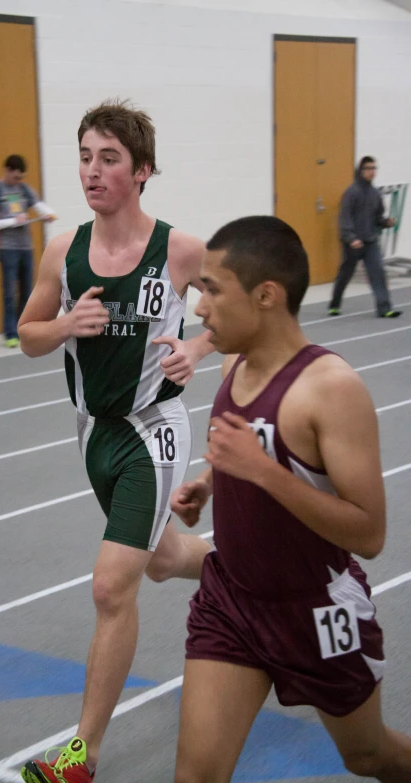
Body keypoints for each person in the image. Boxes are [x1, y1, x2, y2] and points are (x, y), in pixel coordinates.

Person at [171, 215, 411, 783]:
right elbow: (239, 452)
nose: (199, 307)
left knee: (369, 756)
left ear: (266, 295)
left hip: (317, 609)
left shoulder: (330, 389)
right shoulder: (235, 364)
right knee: (195, 777)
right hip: (232, 599)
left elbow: (369, 535)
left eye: (212, 289)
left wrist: (264, 473)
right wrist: (209, 484)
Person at [17, 99, 214, 783]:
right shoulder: (63, 249)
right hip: (93, 433)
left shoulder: (179, 249)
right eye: (84, 156)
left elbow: (239, 306)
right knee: (159, 559)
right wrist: (67, 325)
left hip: (153, 431)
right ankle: (249, 568)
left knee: (110, 587)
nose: (92, 172)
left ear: (142, 171)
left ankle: (82, 755)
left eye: (108, 159)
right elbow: (26, 336)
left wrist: (200, 345)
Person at [0, 154, 57, 348]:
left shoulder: (24, 189)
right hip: (8, 249)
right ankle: (10, 333)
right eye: (15, 177)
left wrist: (47, 214)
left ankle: (24, 329)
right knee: (9, 292)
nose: (18, 181)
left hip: (26, 248)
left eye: (21, 177)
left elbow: (40, 206)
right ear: (7, 170)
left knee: (27, 291)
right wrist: (13, 221)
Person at [328, 156, 401, 319]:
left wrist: (386, 222)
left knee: (378, 272)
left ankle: (384, 308)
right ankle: (334, 304)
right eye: (368, 168)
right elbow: (344, 217)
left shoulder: (375, 194)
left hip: (370, 241)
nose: (372, 172)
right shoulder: (351, 192)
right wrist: (350, 238)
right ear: (361, 171)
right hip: (353, 243)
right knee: (345, 275)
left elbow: (377, 218)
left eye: (374, 168)